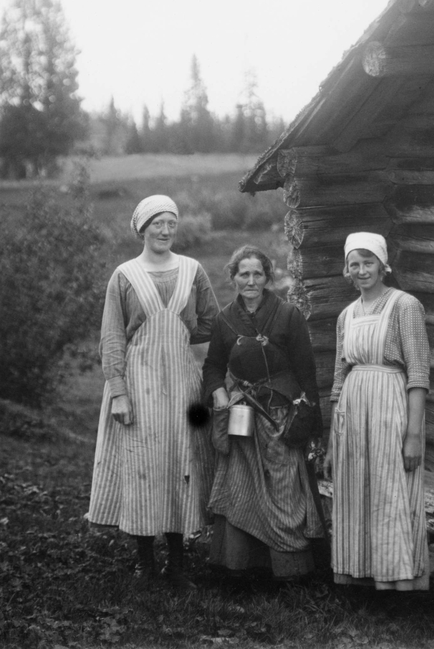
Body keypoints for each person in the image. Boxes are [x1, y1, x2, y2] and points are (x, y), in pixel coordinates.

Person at [86, 194, 219, 590]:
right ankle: (145, 564)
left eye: (171, 224)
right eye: (157, 224)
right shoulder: (124, 275)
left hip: (182, 385)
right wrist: (119, 391)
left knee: (182, 465)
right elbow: (112, 338)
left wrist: (175, 336)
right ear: (142, 228)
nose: (164, 231)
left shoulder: (193, 270)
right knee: (142, 469)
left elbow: (211, 322)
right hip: (138, 386)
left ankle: (176, 565)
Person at [203, 245, 324, 579]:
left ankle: (290, 572)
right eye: (244, 274)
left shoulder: (288, 315)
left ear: (268, 277)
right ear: (234, 278)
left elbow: (306, 371)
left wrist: (309, 419)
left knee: (284, 489)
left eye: (258, 274)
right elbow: (213, 366)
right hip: (243, 416)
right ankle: (244, 569)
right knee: (241, 489)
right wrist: (217, 392)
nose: (251, 281)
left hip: (280, 416)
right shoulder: (224, 320)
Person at [323, 232, 431, 590]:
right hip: (353, 412)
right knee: (357, 492)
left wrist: (413, 434)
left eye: (368, 262)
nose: (361, 270)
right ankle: (365, 582)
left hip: (390, 407)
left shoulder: (405, 305)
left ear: (383, 265)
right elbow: (339, 378)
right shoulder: (346, 315)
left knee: (391, 492)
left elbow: (417, 373)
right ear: (347, 270)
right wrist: (332, 439)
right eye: (354, 264)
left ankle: (399, 585)